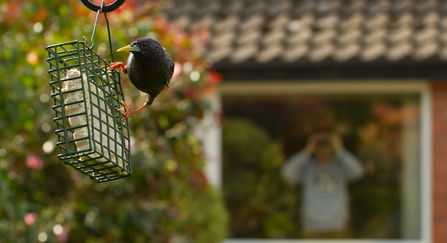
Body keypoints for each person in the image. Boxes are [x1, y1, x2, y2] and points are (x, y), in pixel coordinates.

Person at [281, 133, 364, 239]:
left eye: (327, 146)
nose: (323, 150)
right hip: (312, 223)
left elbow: (359, 172)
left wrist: (340, 150)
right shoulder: (307, 167)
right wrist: (306, 151)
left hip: (337, 223)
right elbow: (286, 173)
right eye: (320, 146)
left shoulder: (340, 167)